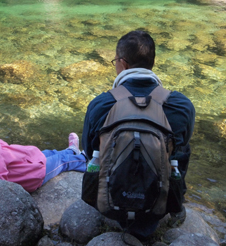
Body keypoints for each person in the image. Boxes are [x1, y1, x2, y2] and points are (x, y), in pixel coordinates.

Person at [82, 30, 195, 239]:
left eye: (114, 61)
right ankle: (170, 204)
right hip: (157, 206)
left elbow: (89, 151)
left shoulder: (101, 104)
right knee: (181, 147)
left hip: (109, 204)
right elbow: (180, 151)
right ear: (151, 63)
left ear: (122, 63)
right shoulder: (181, 106)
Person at [0, 109, 87, 192]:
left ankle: (71, 150)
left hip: (26, 161)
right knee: (61, 162)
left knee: (50, 153)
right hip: (34, 174)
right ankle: (84, 160)